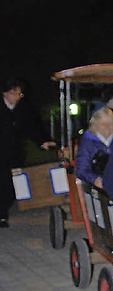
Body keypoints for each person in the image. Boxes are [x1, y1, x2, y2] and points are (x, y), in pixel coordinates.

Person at [0, 77, 56, 227]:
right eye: (14, 93)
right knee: (2, 180)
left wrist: (42, 141)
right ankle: (2, 215)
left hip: (14, 150)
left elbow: (31, 126)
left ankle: (4, 209)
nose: (17, 97)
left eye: (19, 94)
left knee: (12, 181)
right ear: (5, 93)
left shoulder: (23, 107)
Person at [75, 107, 113, 188]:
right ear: (95, 126)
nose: (107, 127)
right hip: (96, 187)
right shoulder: (87, 143)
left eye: (110, 123)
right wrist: (95, 179)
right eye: (102, 124)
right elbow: (81, 170)